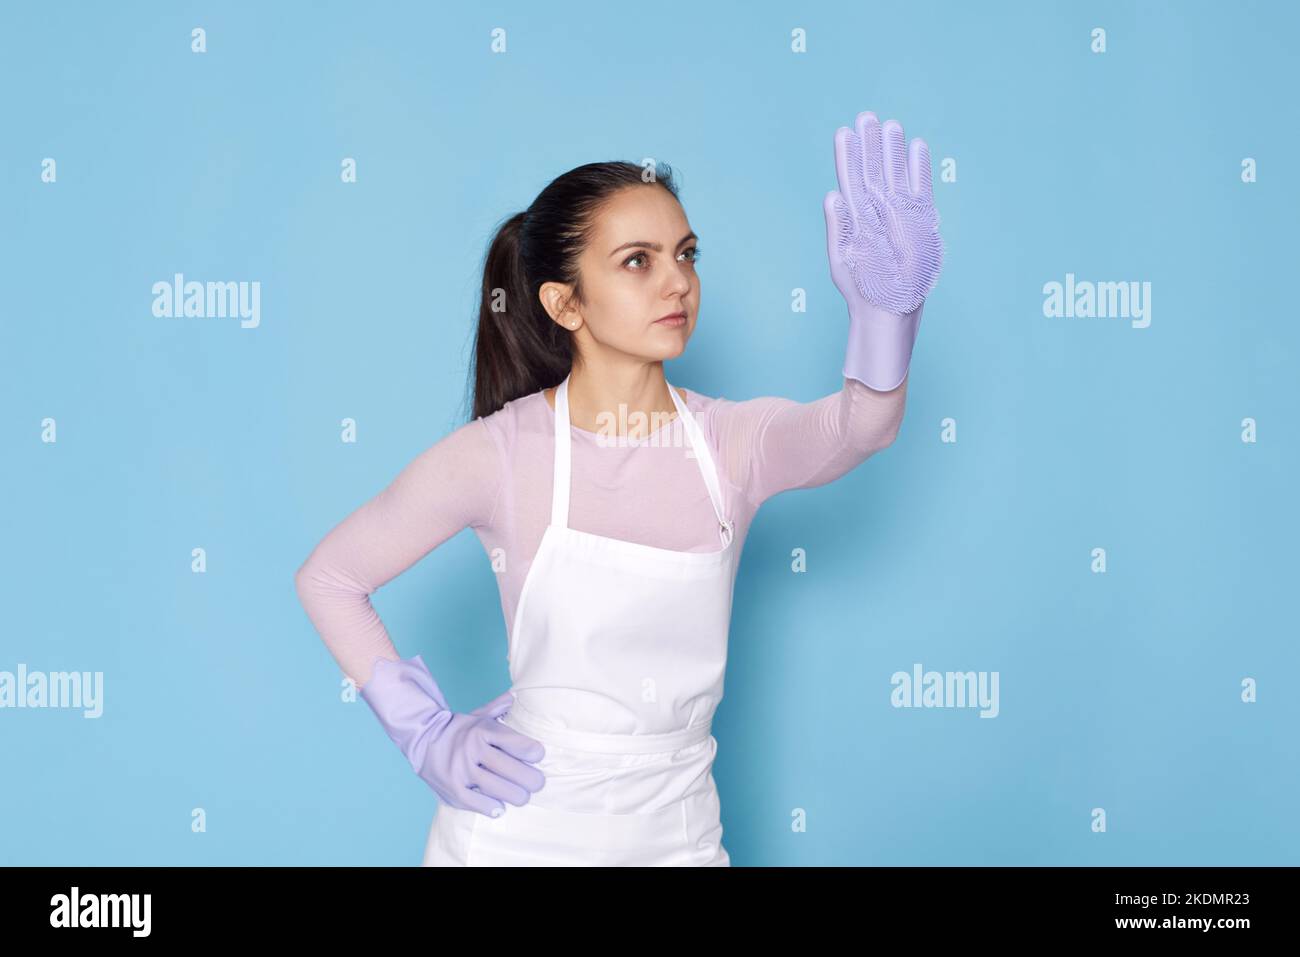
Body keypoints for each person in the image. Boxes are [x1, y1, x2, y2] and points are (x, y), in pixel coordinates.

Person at [294, 111, 944, 866]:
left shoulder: (729, 444)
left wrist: (886, 317)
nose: (679, 282)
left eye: (686, 254)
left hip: (680, 838)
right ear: (564, 304)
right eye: (638, 261)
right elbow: (331, 577)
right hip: (515, 838)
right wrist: (427, 733)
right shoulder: (500, 454)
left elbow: (860, 427)